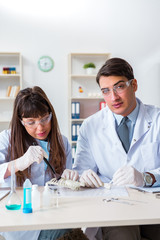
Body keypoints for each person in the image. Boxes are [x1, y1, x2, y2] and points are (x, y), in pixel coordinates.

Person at [73, 58, 160, 240]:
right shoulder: (90, 126)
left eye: (119, 87)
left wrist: (146, 177)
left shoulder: (157, 119)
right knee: (123, 236)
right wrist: (84, 176)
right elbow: (81, 171)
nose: (114, 97)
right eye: (106, 91)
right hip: (114, 205)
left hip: (154, 205)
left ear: (134, 85)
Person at [0, 86, 79, 240]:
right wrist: (19, 163)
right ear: (21, 122)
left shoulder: (62, 142)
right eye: (31, 122)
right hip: (19, 221)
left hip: (54, 214)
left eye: (44, 118)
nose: (40, 127)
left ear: (51, 114)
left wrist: (70, 178)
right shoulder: (6, 139)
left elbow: (65, 185)